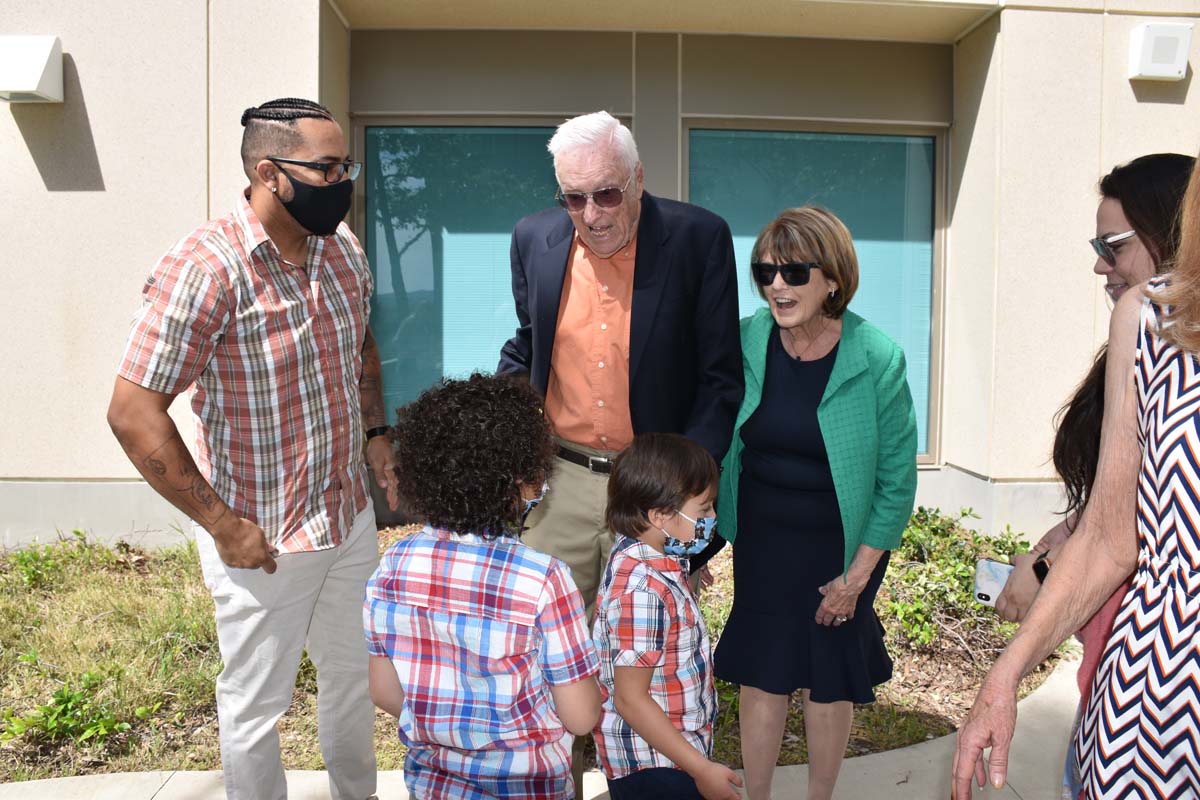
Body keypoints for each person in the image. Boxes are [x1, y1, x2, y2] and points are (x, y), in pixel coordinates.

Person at [106, 98, 397, 800]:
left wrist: (376, 435)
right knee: (257, 704)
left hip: (347, 517)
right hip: (262, 536)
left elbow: (360, 344)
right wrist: (222, 525)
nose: (342, 182)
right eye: (326, 168)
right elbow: (133, 412)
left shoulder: (342, 249)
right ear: (269, 173)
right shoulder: (206, 268)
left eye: (346, 167)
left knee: (354, 681)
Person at [953, 153, 1200, 800]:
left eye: (1111, 247)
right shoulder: (1152, 326)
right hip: (1153, 708)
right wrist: (1005, 675)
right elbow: (1111, 530)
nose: (1099, 265)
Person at [496, 110, 744, 623]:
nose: (592, 215)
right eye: (574, 198)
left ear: (638, 179)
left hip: (653, 488)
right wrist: (508, 446)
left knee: (646, 647)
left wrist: (685, 492)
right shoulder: (531, 239)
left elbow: (719, 379)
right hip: (559, 482)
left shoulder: (699, 239)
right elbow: (528, 347)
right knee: (545, 642)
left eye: (607, 194)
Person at [712, 206, 918, 800]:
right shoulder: (747, 340)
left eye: (794, 272)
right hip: (763, 540)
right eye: (765, 272)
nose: (777, 286)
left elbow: (895, 480)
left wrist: (857, 578)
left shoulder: (877, 356)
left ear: (832, 279)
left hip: (841, 546)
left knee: (829, 679)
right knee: (763, 673)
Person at [363, 373, 601, 800]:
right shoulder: (543, 579)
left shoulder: (393, 567)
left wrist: (452, 725)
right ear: (516, 483)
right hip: (527, 787)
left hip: (433, 785)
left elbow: (383, 690)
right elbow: (581, 717)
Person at [592, 433, 743, 800]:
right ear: (659, 516)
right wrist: (701, 768)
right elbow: (631, 699)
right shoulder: (643, 591)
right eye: (704, 509)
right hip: (656, 765)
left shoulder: (647, 556)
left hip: (666, 755)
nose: (713, 518)